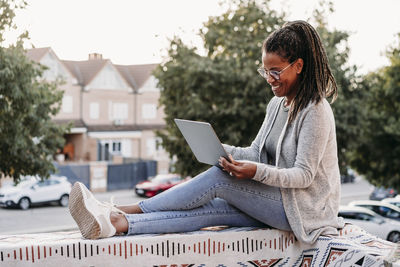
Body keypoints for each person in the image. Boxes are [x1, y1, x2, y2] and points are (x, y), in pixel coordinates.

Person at [68, 20, 344, 244]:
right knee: (212, 211)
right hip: (278, 202)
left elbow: (304, 175)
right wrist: (221, 149)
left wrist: (253, 172)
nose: (270, 79)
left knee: (218, 179)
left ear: (298, 66)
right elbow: (257, 152)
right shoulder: (276, 105)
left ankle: (119, 209)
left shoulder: (316, 110)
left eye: (276, 71)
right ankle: (116, 223)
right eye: (265, 71)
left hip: (305, 212)